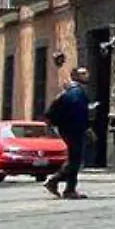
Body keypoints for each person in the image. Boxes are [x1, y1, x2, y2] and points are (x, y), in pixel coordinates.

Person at [43, 66, 94, 199]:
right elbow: (79, 113)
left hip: (67, 128)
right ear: (75, 76)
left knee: (74, 159)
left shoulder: (69, 90)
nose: (87, 75)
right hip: (74, 129)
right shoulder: (76, 92)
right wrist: (86, 129)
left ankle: (69, 189)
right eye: (83, 73)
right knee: (74, 160)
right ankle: (55, 181)